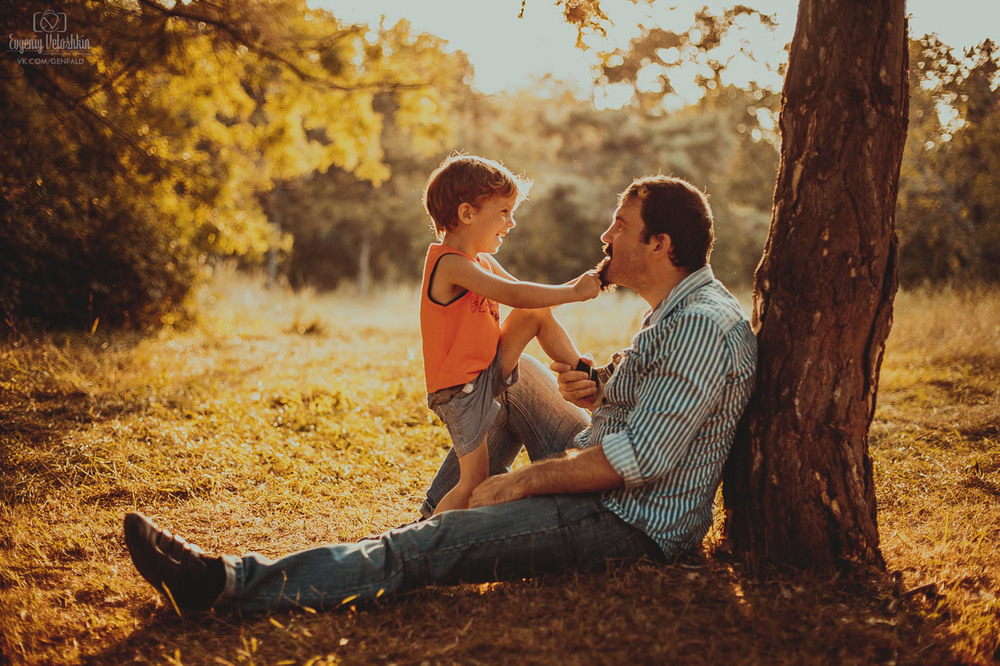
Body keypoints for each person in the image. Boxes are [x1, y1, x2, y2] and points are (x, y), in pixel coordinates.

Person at [123, 175, 758, 614]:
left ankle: (225, 584)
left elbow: (638, 462)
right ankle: (433, 523)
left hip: (627, 519)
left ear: (659, 244)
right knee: (506, 377)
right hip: (601, 455)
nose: (606, 237)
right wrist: (595, 392)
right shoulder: (674, 311)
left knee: (427, 550)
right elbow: (644, 415)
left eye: (620, 226)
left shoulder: (700, 323)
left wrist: (516, 485)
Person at [419, 154, 600, 513]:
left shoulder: (480, 260)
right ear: (467, 213)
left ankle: (583, 374)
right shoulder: (450, 263)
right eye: (503, 212)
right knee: (474, 484)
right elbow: (513, 295)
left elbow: (525, 296)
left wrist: (565, 294)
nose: (512, 222)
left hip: (485, 371)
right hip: (460, 392)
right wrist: (574, 292)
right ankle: (424, 540)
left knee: (534, 314)